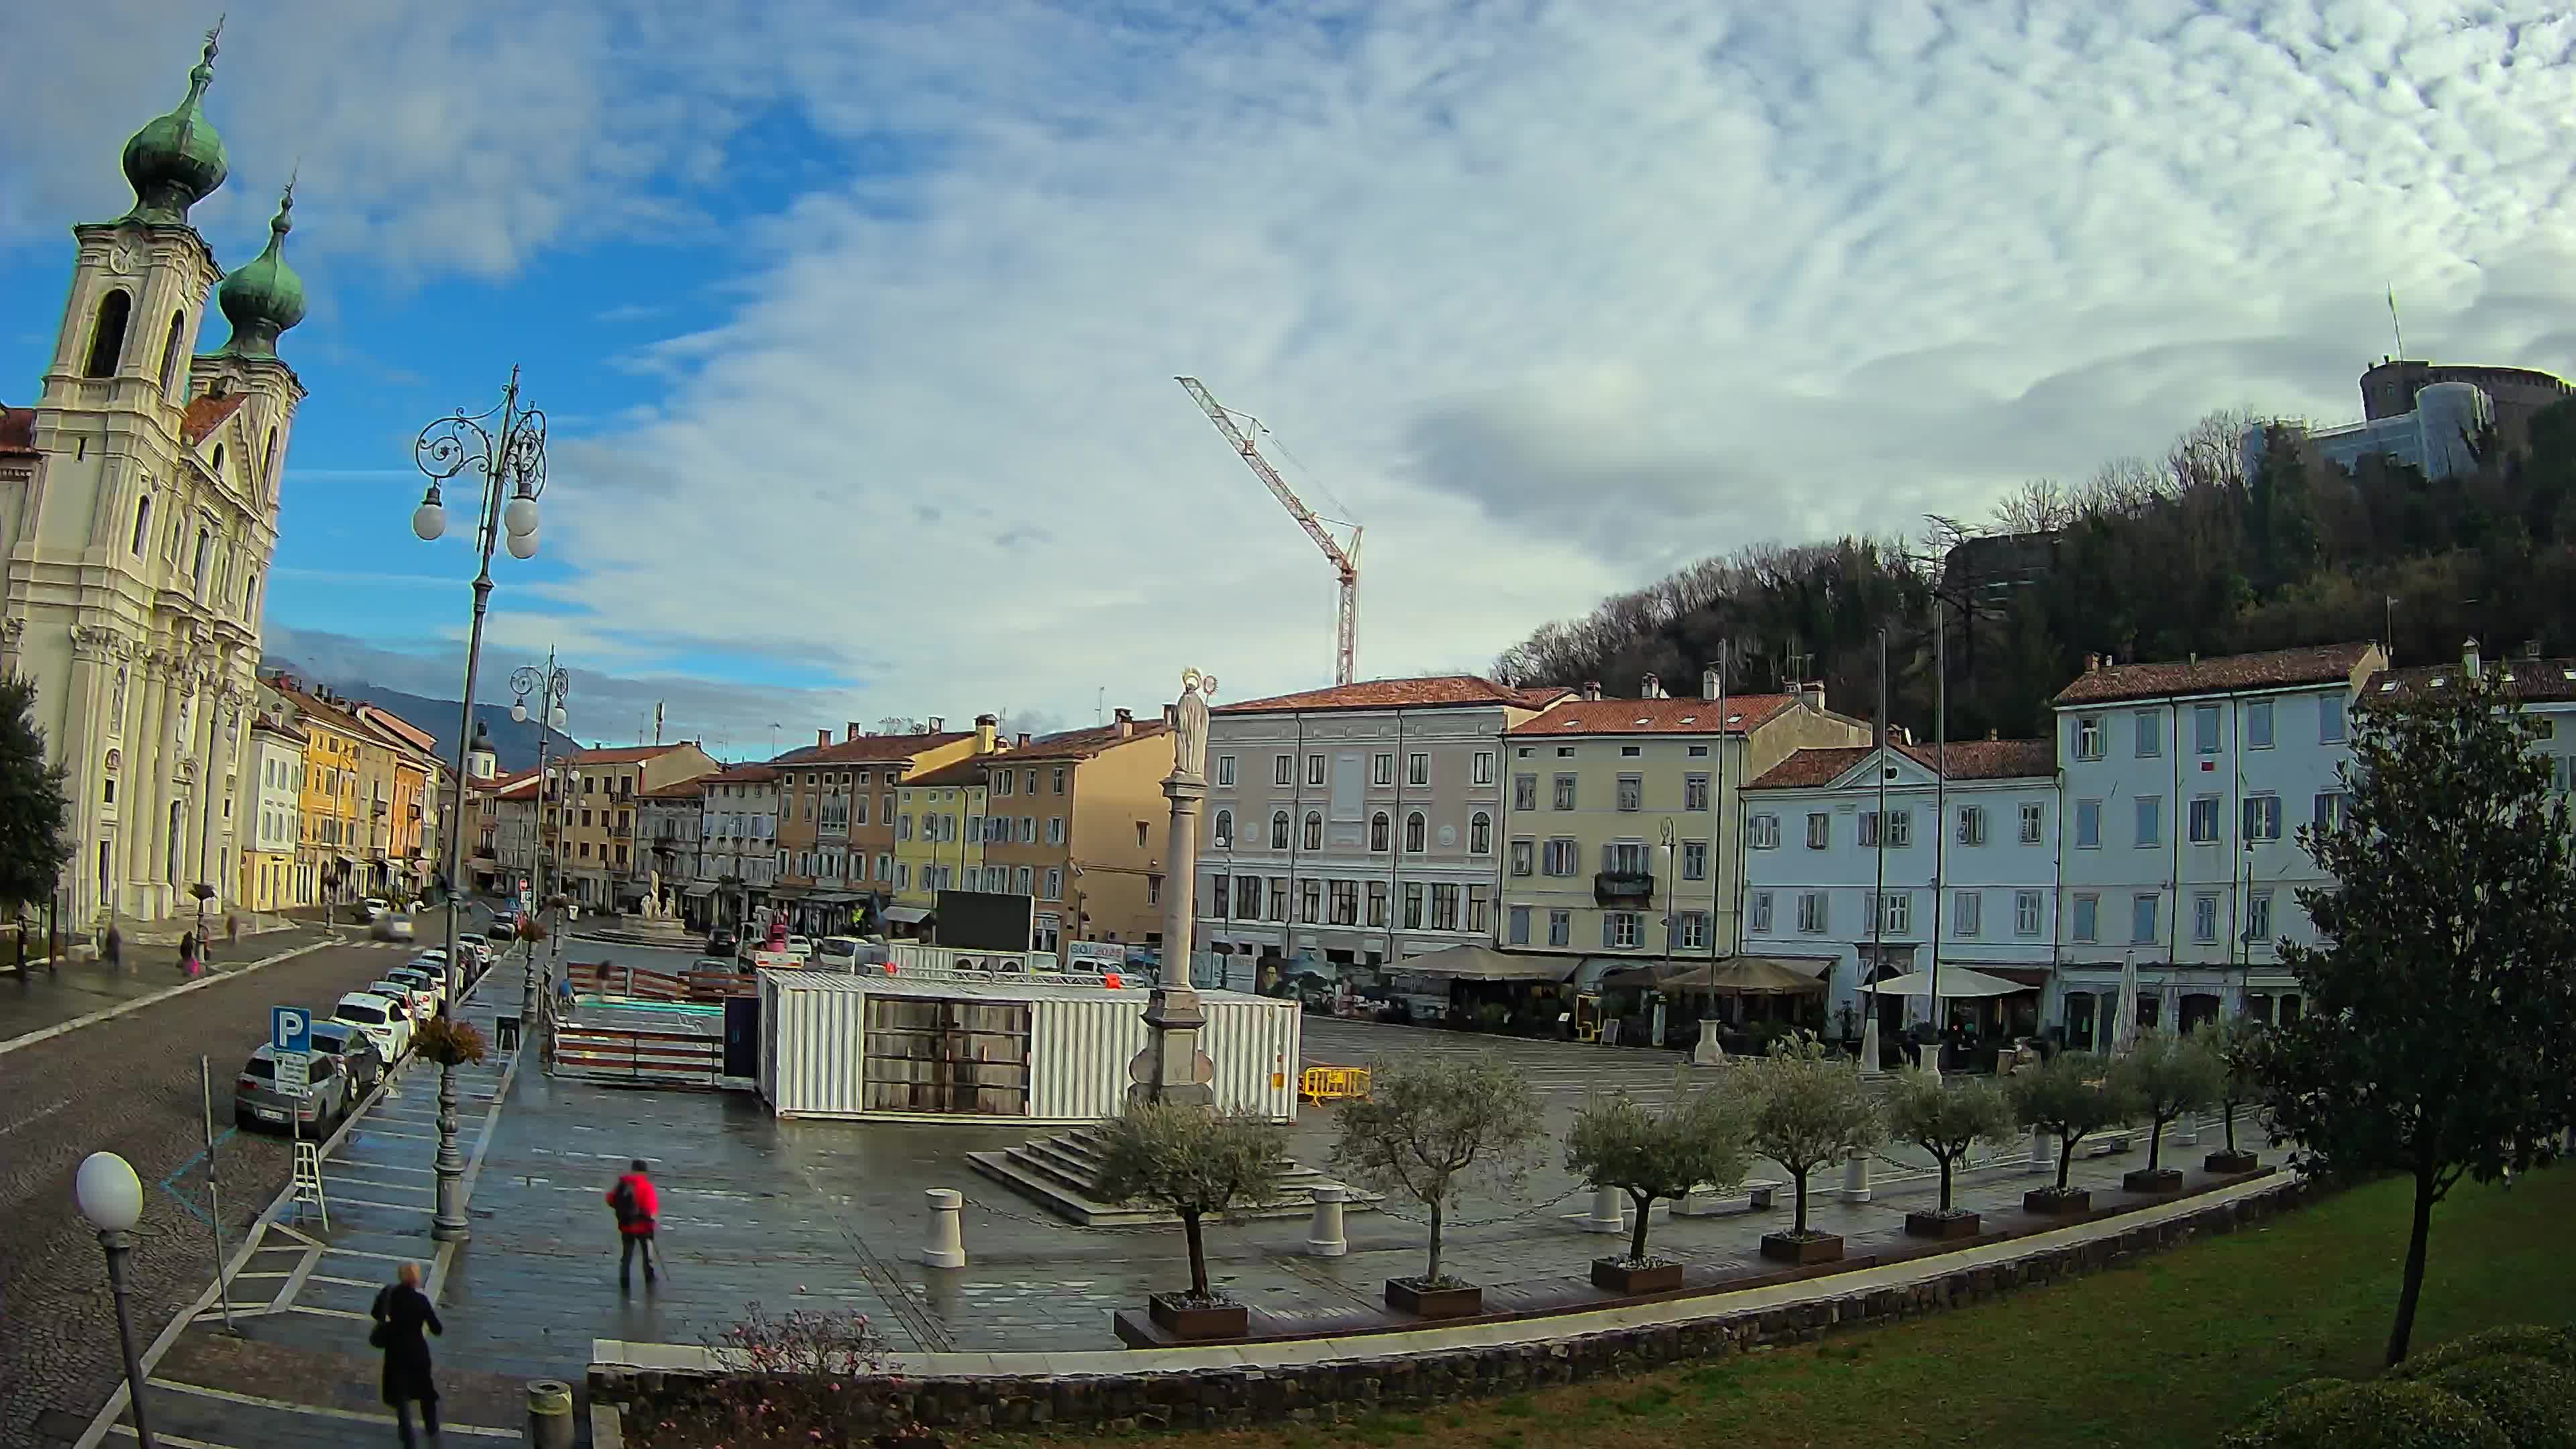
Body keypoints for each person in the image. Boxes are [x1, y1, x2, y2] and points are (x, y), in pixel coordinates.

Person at [370, 1260, 443, 1446]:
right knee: (426, 1392)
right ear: (416, 1279)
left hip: (396, 1350)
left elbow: (375, 1313)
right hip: (417, 1352)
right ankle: (432, 1428)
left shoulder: (390, 1294)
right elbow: (437, 1329)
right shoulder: (421, 1301)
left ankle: (407, 1436)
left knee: (400, 1394)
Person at [606, 1159, 660, 1291]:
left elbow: (610, 1199)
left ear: (633, 1170)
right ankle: (649, 1278)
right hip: (644, 1227)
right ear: (644, 1172)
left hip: (627, 1226)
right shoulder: (647, 1186)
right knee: (647, 1255)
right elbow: (650, 1208)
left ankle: (624, 1282)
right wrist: (652, 1222)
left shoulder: (623, 1183)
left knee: (627, 1256)